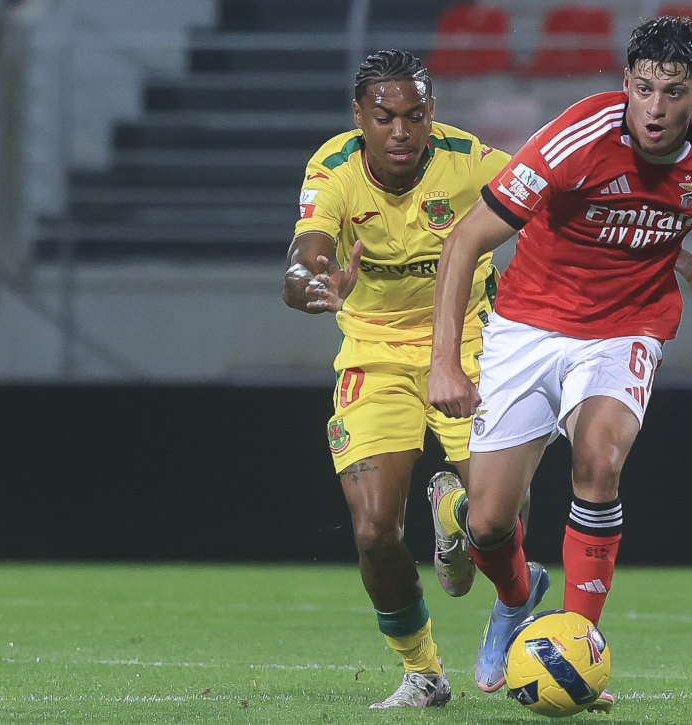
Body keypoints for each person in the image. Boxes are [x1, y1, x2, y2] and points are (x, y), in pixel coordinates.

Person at [427, 15, 692, 711]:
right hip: (529, 325)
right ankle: (516, 595)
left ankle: (578, 650)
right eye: (644, 88)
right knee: (494, 523)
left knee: (599, 459)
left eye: (673, 92)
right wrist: (447, 363)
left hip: (627, 327)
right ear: (625, 82)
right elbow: (467, 240)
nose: (655, 106)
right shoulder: (574, 141)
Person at [282, 49, 512, 709]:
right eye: (385, 117)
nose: (402, 131)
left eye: (415, 115)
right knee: (375, 531)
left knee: (503, 523)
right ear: (360, 117)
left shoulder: (471, 162)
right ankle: (424, 672)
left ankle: (457, 515)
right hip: (373, 354)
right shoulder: (333, 171)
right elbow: (302, 260)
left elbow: (562, 198)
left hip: (469, 343)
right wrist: (315, 283)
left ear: (432, 113)